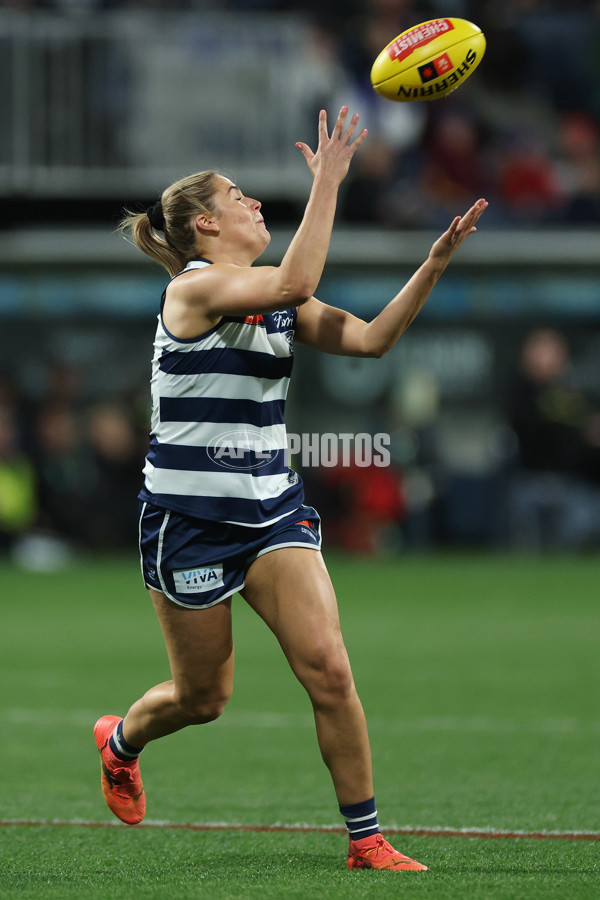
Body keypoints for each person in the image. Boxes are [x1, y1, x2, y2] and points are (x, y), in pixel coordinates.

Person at [94, 106, 487, 873]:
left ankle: (366, 841)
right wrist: (332, 181)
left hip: (270, 511)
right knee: (203, 698)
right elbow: (299, 277)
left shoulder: (276, 299)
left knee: (330, 670)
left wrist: (433, 264)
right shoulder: (195, 292)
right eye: (241, 195)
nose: (257, 203)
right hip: (189, 521)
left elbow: (370, 340)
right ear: (205, 225)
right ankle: (120, 741)